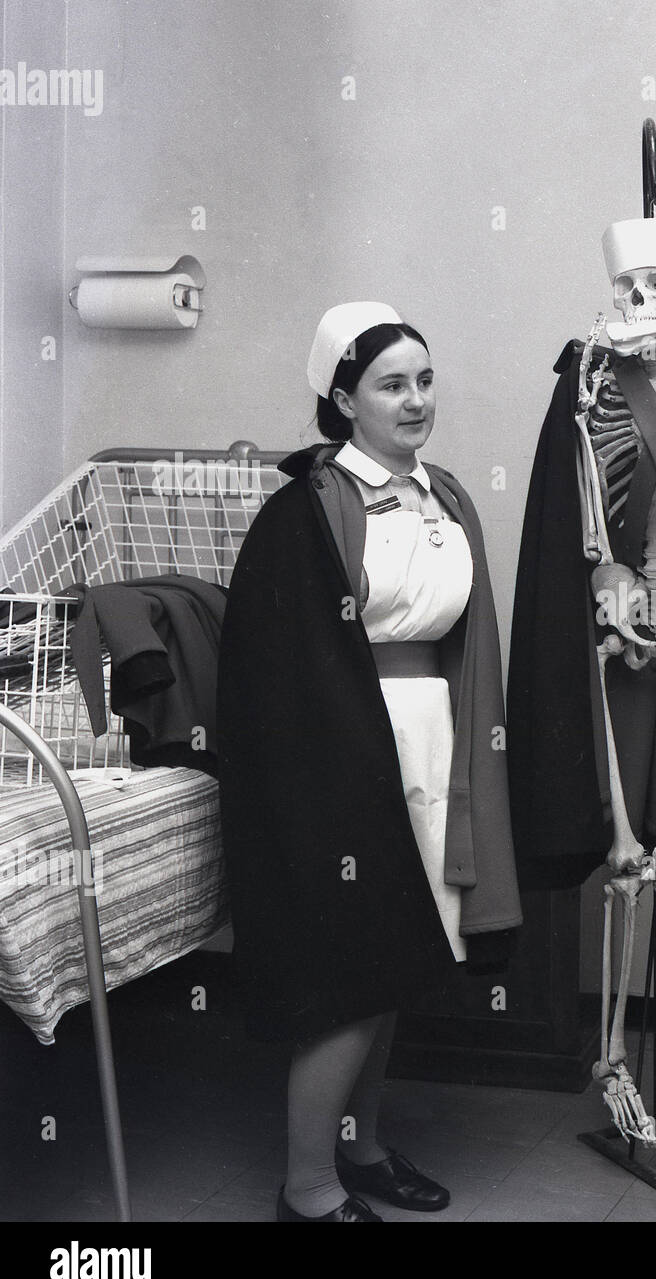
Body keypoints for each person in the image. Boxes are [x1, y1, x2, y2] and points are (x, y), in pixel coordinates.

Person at [217, 302, 522, 1222]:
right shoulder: (301, 512)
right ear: (343, 398)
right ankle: (307, 1186)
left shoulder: (451, 496)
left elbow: (470, 645)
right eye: (393, 384)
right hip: (344, 751)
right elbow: (274, 675)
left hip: (434, 737)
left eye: (425, 380)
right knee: (352, 965)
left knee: (397, 959)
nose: (416, 399)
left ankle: (365, 1146)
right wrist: (330, 783)